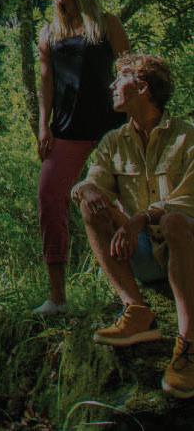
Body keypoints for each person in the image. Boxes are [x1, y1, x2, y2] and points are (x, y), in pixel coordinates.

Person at [72, 53, 194, 400]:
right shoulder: (113, 141)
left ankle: (188, 347)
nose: (112, 85)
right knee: (90, 205)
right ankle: (137, 311)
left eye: (121, 77)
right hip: (144, 254)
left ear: (142, 88)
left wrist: (139, 219)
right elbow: (90, 181)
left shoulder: (187, 137)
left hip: (184, 247)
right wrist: (86, 189)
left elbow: (189, 201)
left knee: (172, 220)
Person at [34, 0, 129, 315]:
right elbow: (46, 83)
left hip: (111, 128)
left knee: (124, 204)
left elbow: (128, 70)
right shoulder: (49, 34)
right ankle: (57, 298)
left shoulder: (107, 24)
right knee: (48, 197)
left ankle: (131, 294)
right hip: (67, 129)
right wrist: (44, 127)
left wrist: (138, 121)